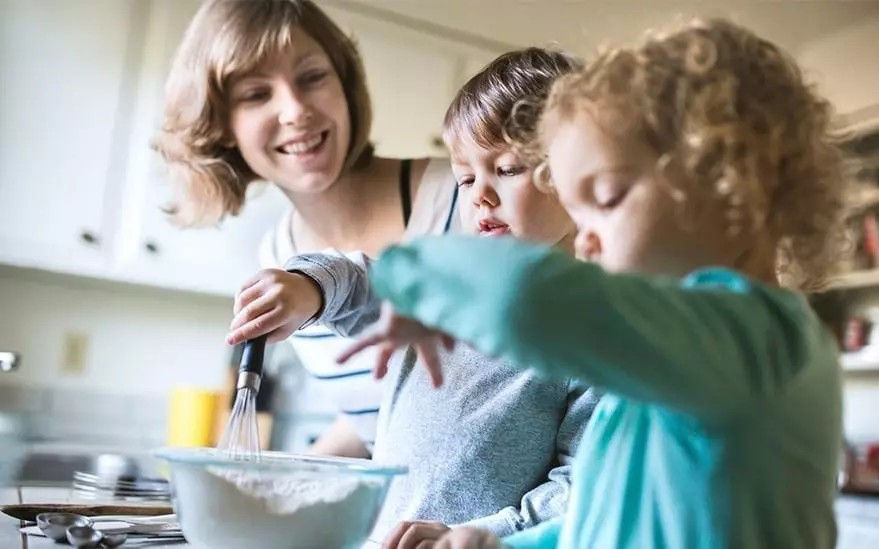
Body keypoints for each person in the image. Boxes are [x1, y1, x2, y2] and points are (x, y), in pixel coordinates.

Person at [344, 19, 845, 549]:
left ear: (729, 185)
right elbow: (599, 518)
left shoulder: (757, 338)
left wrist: (415, 271)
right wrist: (493, 545)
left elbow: (526, 298)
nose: (584, 241)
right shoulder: (671, 365)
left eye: (604, 200)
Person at [228, 48, 600, 546]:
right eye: (467, 177)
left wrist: (481, 535)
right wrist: (310, 286)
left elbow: (583, 483)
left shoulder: (596, 334)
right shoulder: (447, 289)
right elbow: (363, 281)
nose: (479, 196)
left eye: (507, 169)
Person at [153, 0, 459, 456]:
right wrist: (280, 483)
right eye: (257, 94)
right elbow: (375, 418)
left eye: (313, 77)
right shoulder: (279, 256)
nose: (295, 110)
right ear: (221, 126)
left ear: (345, 84)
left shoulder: (467, 194)